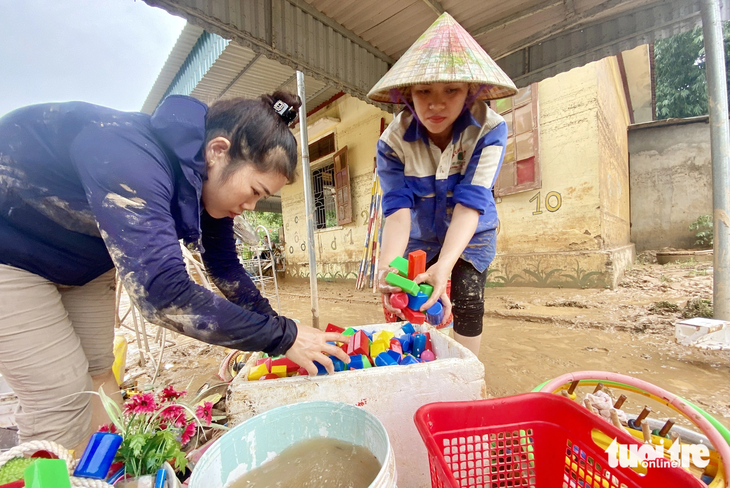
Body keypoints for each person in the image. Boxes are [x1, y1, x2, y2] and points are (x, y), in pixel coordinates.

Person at [0, 91, 350, 453]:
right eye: (255, 191)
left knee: (99, 371)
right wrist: (282, 337)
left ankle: (107, 471)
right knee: (60, 394)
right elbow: (163, 295)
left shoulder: (202, 184)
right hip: (10, 253)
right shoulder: (133, 160)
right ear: (217, 151)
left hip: (81, 262)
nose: (251, 206)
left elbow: (226, 268)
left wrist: (280, 328)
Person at [368, 13, 518, 356]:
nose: (436, 103)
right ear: (408, 94)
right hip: (417, 232)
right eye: (424, 91)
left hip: (472, 229)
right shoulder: (392, 142)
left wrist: (445, 266)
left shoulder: (489, 129)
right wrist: (388, 266)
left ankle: (465, 376)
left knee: (466, 298)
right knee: (407, 303)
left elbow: (471, 204)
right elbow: (397, 213)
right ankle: (412, 365)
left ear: (470, 91)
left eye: (451, 90)